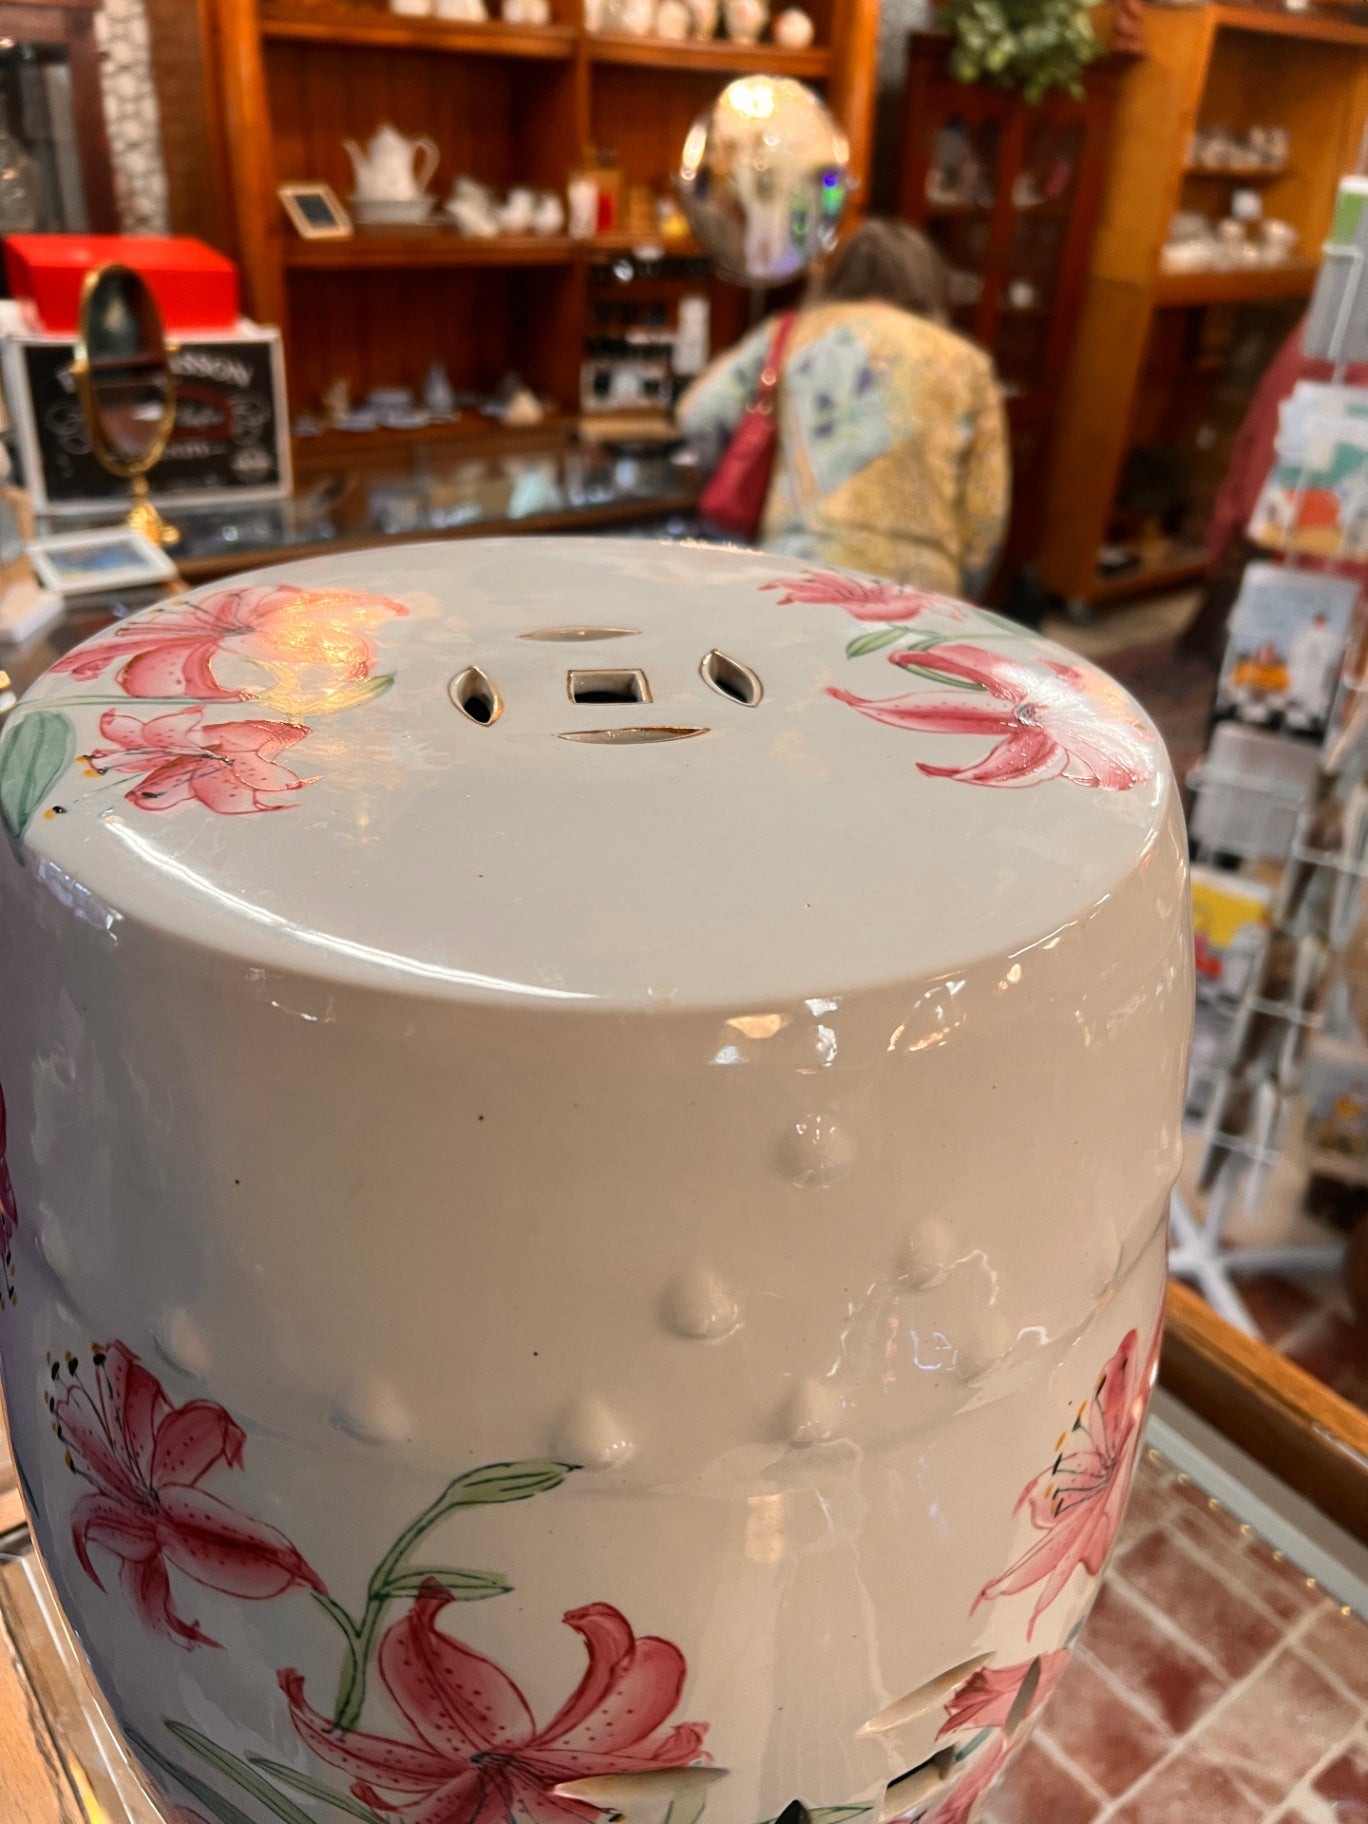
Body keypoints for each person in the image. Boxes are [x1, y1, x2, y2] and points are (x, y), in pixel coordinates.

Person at [676, 219, 1010, 596]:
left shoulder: (790, 333)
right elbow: (986, 514)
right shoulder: (968, 363)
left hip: (801, 565)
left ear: (839, 274)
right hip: (924, 585)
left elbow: (699, 413)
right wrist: (964, 587)